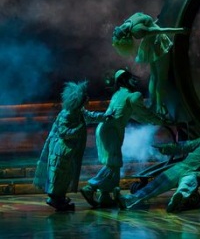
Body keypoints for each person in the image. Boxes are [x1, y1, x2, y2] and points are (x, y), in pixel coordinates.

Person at [80, 69, 168, 208]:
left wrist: (154, 121)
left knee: (112, 163)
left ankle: (105, 196)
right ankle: (90, 187)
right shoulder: (134, 96)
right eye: (130, 78)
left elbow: (135, 115)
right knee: (114, 164)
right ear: (124, 80)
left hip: (103, 128)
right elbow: (143, 114)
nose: (134, 80)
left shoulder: (118, 95)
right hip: (111, 131)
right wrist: (161, 121)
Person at [117, 133, 200, 213]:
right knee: (156, 184)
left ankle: (177, 200)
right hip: (182, 166)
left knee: (187, 185)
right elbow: (183, 146)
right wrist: (167, 147)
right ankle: (128, 200)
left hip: (195, 173)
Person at [112, 12, 188, 114]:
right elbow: (158, 31)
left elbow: (149, 26)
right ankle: (158, 105)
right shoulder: (136, 30)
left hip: (153, 45)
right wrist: (180, 30)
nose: (122, 27)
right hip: (157, 46)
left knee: (155, 76)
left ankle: (154, 104)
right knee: (160, 77)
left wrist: (155, 22)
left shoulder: (129, 22)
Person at [34, 81, 91, 211]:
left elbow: (90, 116)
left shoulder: (77, 111)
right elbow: (63, 132)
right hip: (60, 150)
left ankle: (59, 198)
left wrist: (105, 116)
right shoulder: (67, 114)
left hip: (66, 151)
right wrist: (79, 128)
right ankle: (56, 199)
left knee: (64, 176)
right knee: (59, 176)